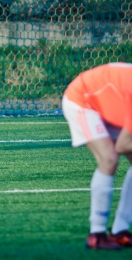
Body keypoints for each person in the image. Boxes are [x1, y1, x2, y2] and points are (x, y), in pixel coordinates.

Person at [63, 62, 132, 250]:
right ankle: (97, 234)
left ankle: (120, 231)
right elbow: (123, 145)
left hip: (109, 104)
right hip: (82, 100)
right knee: (108, 158)